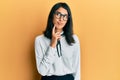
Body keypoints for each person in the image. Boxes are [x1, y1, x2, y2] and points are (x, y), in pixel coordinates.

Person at [35, 2, 80, 80]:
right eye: (58, 14)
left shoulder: (73, 39)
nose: (61, 19)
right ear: (52, 15)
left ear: (68, 19)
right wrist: (52, 44)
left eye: (65, 16)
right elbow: (42, 71)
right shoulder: (39, 40)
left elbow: (77, 67)